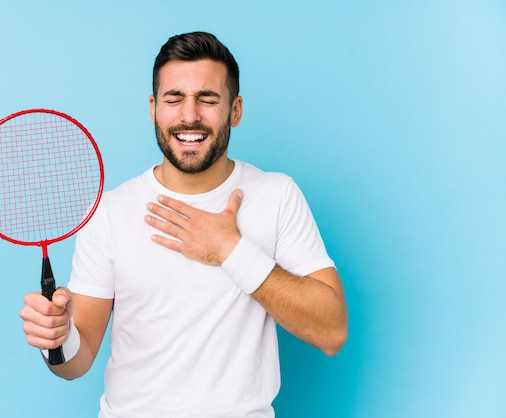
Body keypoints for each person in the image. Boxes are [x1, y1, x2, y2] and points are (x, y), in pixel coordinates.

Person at [20, 31, 348, 417]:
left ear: (235, 110)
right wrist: (56, 339)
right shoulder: (110, 212)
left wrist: (232, 250)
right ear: (153, 108)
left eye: (207, 99)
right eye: (174, 99)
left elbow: (332, 332)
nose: (189, 115)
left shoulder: (276, 195)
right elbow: (78, 359)